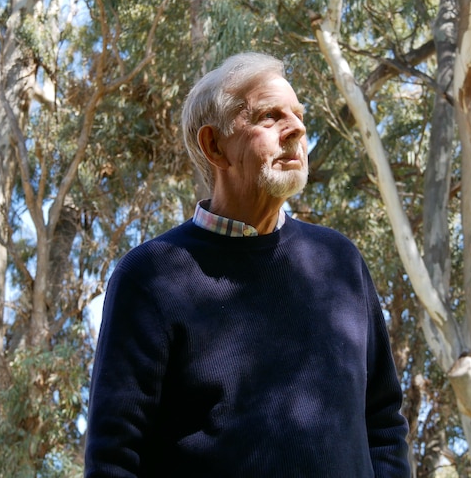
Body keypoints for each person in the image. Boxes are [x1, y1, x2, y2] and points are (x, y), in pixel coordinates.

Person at [85, 52, 410, 477]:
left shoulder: (340, 263)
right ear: (215, 145)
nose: (297, 128)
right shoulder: (151, 277)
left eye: (298, 113)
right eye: (270, 117)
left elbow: (383, 422)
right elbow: (114, 457)